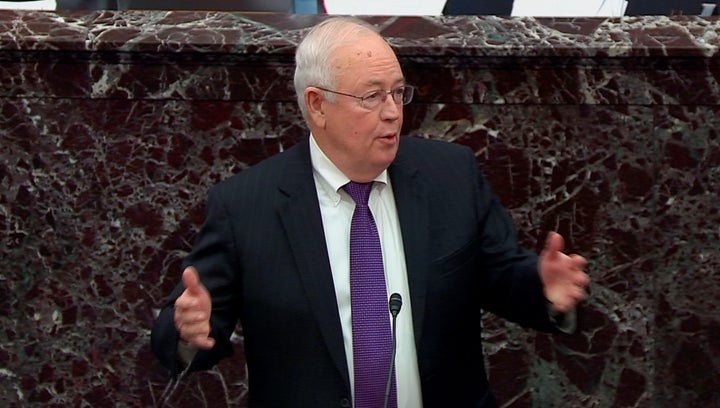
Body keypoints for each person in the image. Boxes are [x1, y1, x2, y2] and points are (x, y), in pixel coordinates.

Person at [151, 16, 590, 408]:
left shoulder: (450, 177)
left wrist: (543, 289)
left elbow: (501, 277)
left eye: (399, 93)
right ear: (318, 105)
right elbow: (185, 340)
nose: (393, 113)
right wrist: (187, 331)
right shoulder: (247, 206)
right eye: (372, 97)